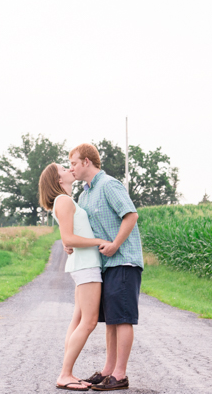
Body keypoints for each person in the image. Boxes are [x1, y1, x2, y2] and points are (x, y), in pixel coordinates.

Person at [68, 143, 143, 392]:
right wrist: (72, 245)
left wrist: (115, 245)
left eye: (74, 164)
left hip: (123, 259)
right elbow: (84, 231)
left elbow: (131, 215)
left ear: (87, 162)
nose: (72, 169)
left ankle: (120, 375)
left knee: (122, 318)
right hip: (104, 265)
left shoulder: (109, 185)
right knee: (111, 320)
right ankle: (108, 370)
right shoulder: (84, 195)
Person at [39, 163, 111, 392]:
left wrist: (72, 242)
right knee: (88, 322)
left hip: (83, 264)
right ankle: (65, 374)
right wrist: (99, 242)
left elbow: (67, 238)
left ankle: (67, 372)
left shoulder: (65, 201)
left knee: (78, 319)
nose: (68, 169)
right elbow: (69, 239)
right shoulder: (64, 201)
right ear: (58, 180)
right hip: (87, 265)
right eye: (63, 168)